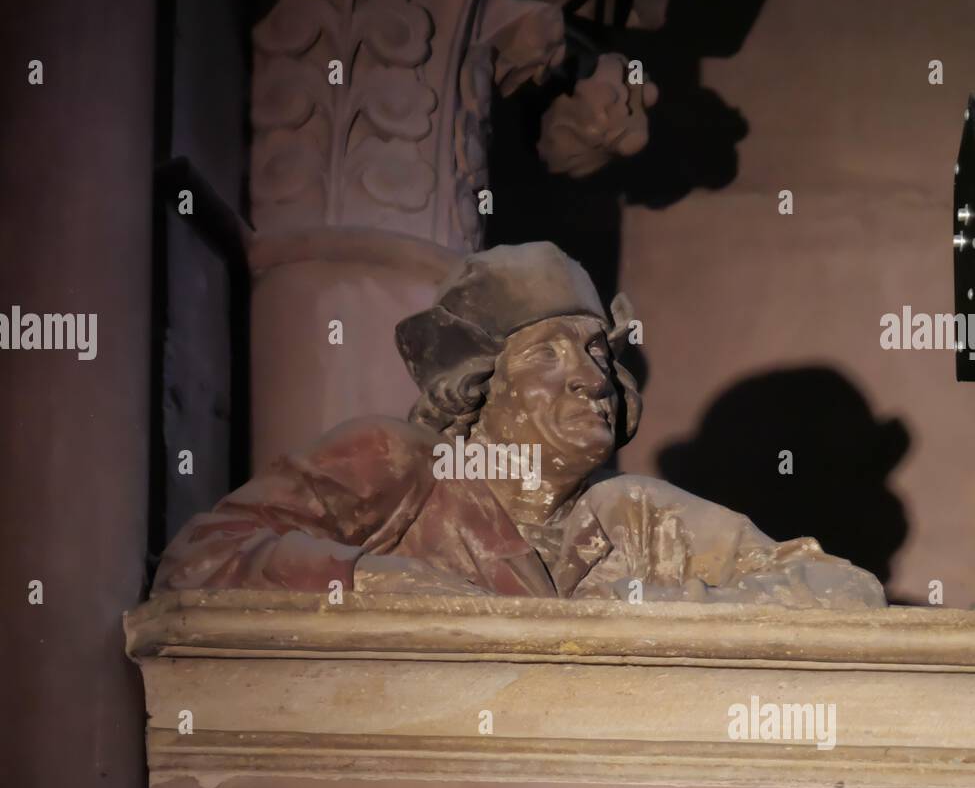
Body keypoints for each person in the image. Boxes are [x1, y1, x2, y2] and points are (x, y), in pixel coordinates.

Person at [154, 241, 885, 608]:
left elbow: (844, 590)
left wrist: (667, 608)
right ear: (482, 382)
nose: (591, 375)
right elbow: (198, 561)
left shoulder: (635, 516)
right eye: (548, 351)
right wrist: (379, 584)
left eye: (597, 350)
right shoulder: (399, 461)